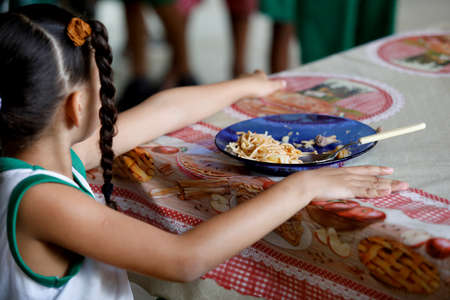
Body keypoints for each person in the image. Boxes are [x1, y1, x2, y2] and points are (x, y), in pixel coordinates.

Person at [0, 4, 409, 300]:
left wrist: (245, 86)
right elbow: (184, 259)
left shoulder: (46, 156)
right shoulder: (43, 202)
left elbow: (164, 110)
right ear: (77, 107)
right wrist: (300, 187)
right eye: (102, 87)